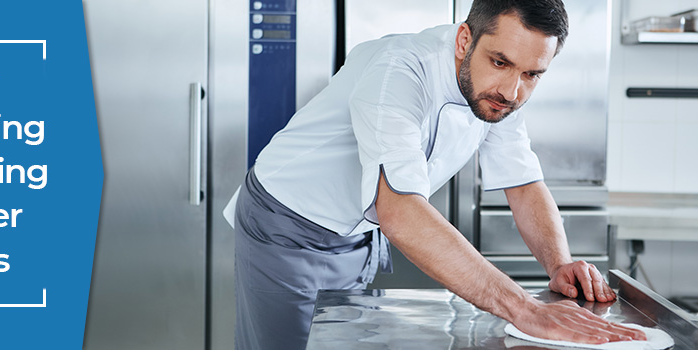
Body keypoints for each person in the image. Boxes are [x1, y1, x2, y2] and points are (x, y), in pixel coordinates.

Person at [223, 0, 648, 349]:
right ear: (465, 40)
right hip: (286, 227)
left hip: (357, 235)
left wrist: (559, 263)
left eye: (532, 74)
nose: (513, 91)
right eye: (500, 62)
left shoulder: (502, 90)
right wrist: (526, 309)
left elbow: (522, 182)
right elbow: (400, 211)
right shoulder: (399, 71)